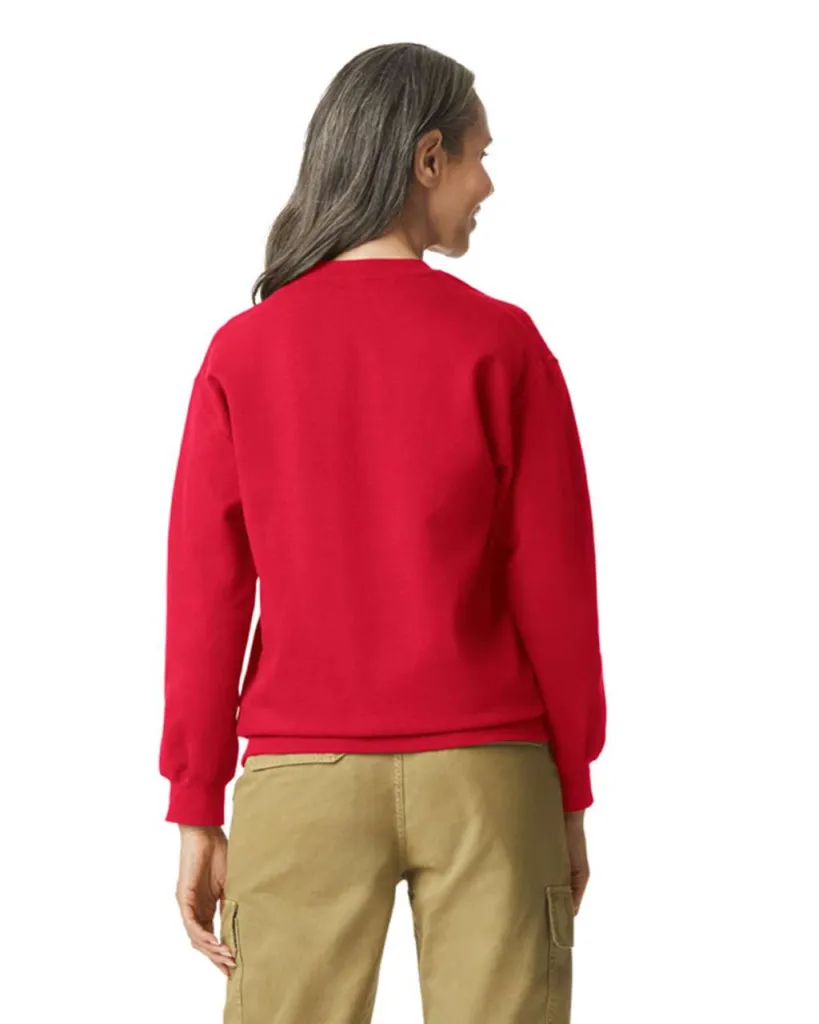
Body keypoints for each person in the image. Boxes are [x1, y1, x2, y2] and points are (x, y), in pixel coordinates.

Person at [159, 41, 606, 1024]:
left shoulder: (244, 352)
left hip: (301, 776)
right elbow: (556, 588)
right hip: (491, 773)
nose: (489, 184)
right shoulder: (503, 345)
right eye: (480, 156)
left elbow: (206, 593)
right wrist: (571, 786)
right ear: (427, 157)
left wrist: (196, 802)